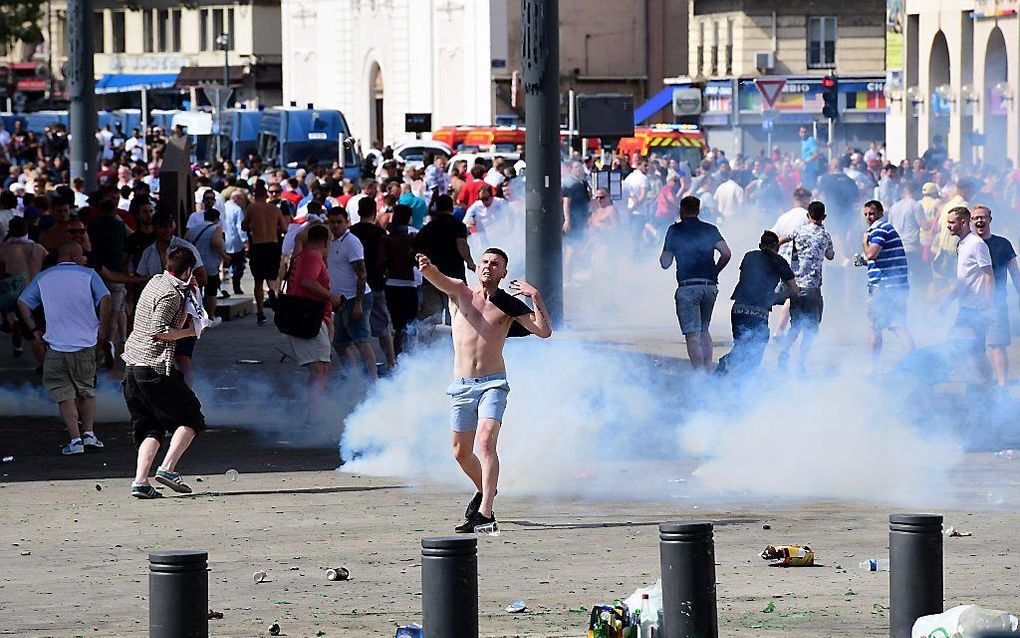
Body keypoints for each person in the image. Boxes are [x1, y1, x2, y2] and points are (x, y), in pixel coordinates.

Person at [416, 247, 551, 533]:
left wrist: (535, 295)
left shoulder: (508, 305)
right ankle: (485, 492)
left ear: (503, 273)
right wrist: (427, 267)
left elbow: (543, 331)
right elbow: (439, 279)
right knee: (460, 453)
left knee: (486, 441)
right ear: (478, 267)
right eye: (485, 262)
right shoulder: (461, 293)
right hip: (462, 385)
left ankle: (486, 514)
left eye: (496, 264)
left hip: (493, 383)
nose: (489, 266)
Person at [123, 247, 207, 498]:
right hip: (153, 368)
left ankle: (140, 482)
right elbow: (160, 331)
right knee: (191, 417)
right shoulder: (172, 294)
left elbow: (170, 322)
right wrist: (193, 332)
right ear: (189, 270)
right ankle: (168, 469)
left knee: (151, 427)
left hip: (132, 368)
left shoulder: (156, 282)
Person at [16, 242, 111, 455]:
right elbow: (106, 298)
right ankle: (89, 434)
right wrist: (103, 327)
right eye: (83, 254)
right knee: (86, 391)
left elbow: (22, 302)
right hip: (86, 344)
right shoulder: (89, 275)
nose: (85, 258)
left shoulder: (44, 277)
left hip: (56, 347)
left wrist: (33, 330)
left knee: (64, 395)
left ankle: (75, 441)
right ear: (74, 255)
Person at [659, 195, 732, 371]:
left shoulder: (674, 230)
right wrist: (714, 271)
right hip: (709, 287)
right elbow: (726, 253)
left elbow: (665, 263)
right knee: (704, 329)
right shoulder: (710, 229)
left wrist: (671, 251)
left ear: (681, 210)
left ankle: (699, 376)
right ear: (698, 210)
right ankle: (708, 368)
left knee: (692, 335)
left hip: (688, 287)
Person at [135, 214, 207, 387]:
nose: (167, 230)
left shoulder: (185, 248)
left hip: (185, 311)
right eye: (162, 226)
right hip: (157, 312)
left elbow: (203, 278)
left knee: (182, 357)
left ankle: (189, 395)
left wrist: (183, 283)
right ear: (155, 228)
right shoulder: (149, 252)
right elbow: (139, 281)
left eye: (169, 225)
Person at [715, 231, 798, 376]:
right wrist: (776, 297)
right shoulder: (779, 261)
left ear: (760, 245)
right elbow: (794, 290)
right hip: (758, 312)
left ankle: (722, 376)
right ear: (776, 247)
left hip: (738, 309)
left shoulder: (749, 256)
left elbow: (746, 281)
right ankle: (743, 385)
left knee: (741, 346)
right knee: (755, 351)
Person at [284, 224, 343, 419]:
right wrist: (332, 296)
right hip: (308, 318)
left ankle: (313, 415)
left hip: (310, 317)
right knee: (320, 370)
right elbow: (307, 282)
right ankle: (313, 419)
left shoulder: (302, 255)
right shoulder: (312, 256)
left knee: (322, 369)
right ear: (326, 242)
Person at [777, 201, 834, 371]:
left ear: (808, 216)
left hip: (796, 287)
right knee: (811, 330)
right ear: (824, 217)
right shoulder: (825, 236)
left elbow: (781, 240)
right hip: (813, 289)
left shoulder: (799, 231)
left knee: (796, 325)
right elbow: (830, 255)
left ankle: (784, 352)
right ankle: (801, 363)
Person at [861, 199, 914, 370]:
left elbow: (871, 254)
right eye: (866, 214)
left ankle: (872, 368)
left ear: (880, 214)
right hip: (894, 286)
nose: (869, 217)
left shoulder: (879, 229)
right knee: (898, 326)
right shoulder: (885, 228)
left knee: (876, 328)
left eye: (872, 214)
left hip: (884, 288)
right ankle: (915, 363)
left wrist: (864, 240)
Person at [326, 207, 378, 380]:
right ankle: (353, 378)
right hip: (340, 301)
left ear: (347, 222)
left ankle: (373, 381)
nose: (335, 225)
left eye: (339, 222)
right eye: (332, 222)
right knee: (340, 343)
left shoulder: (352, 242)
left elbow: (362, 273)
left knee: (361, 340)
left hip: (355, 298)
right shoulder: (332, 241)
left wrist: (358, 303)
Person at [971, 206, 1020, 387]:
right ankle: (985, 383)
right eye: (976, 218)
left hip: (996, 304)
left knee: (997, 346)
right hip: (972, 304)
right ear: (970, 221)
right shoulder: (967, 244)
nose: (979, 221)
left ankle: (1002, 387)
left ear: (990, 220)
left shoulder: (1003, 244)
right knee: (973, 348)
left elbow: (1015, 273)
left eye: (983, 217)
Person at [413, 195, 476, 330]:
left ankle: (424, 349)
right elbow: (461, 244)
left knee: (429, 319)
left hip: (432, 279)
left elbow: (414, 249)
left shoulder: (428, 227)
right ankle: (453, 349)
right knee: (455, 318)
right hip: (454, 280)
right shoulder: (458, 225)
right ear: (451, 207)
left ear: (436, 208)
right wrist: (470, 262)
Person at [946, 206, 994, 381]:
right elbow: (964, 277)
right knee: (965, 349)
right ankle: (979, 386)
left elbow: (989, 276)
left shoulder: (977, 244)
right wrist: (947, 301)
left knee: (975, 352)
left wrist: (988, 308)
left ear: (964, 222)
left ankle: (989, 389)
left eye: (951, 222)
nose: (948, 226)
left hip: (977, 309)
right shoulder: (962, 244)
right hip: (965, 307)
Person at [349, 196, 396, 369]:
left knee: (356, 329)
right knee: (382, 327)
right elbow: (386, 260)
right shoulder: (380, 233)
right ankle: (390, 363)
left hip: (353, 286)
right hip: (376, 283)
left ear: (359, 212)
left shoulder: (351, 232)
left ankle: (358, 366)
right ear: (374, 211)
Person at [243, 185, 288, 326]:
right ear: (266, 195)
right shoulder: (275, 209)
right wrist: (273, 228)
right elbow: (285, 228)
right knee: (273, 279)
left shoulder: (252, 208)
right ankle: (275, 302)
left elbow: (244, 226)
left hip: (258, 245)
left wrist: (254, 226)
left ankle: (261, 313)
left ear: (255, 195)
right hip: (273, 245)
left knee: (258, 281)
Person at [382, 204, 419, 357]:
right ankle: (409, 360)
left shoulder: (386, 239)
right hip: (409, 285)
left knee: (398, 327)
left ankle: (396, 359)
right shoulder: (413, 238)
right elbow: (417, 261)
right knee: (410, 326)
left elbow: (381, 263)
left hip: (392, 285)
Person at [185, 207, 230, 323]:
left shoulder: (192, 229)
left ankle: (195, 318)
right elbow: (216, 243)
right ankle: (210, 317)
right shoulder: (216, 228)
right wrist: (225, 256)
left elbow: (185, 242)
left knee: (196, 290)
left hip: (194, 265)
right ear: (217, 219)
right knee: (211, 291)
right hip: (209, 265)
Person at [887, 180, 928, 290]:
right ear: (915, 191)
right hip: (911, 248)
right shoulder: (916, 205)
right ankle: (915, 301)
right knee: (917, 279)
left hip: (896, 249)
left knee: (899, 279)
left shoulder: (894, 207)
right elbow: (925, 226)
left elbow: (889, 228)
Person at [223, 190, 248, 295]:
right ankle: (236, 287)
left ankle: (223, 288)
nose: (244, 202)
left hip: (223, 241)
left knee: (224, 266)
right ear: (237, 198)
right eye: (243, 199)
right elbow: (240, 227)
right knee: (238, 265)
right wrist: (245, 241)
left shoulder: (222, 207)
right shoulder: (237, 209)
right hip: (236, 242)